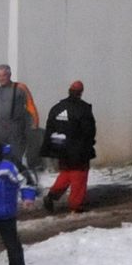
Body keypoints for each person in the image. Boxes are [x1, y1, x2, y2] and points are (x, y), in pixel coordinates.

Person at [41, 81, 97, 214]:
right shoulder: (83, 109)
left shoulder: (57, 108)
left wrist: (51, 147)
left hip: (61, 149)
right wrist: (88, 145)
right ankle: (76, 206)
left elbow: (50, 127)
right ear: (81, 92)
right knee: (79, 176)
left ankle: (52, 196)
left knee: (66, 173)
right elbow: (89, 130)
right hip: (78, 150)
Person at [0, 64, 39, 185]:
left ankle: (24, 183)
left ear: (10, 75)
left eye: (4, 75)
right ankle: (2, 182)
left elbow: (30, 105)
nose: (1, 78)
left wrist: (35, 122)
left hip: (16, 127)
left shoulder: (20, 87)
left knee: (16, 157)